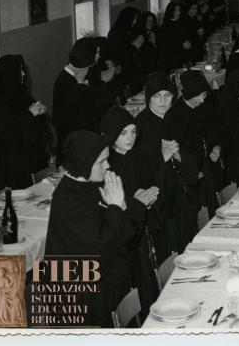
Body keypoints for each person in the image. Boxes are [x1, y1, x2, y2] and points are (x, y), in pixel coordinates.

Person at [44, 130, 138, 327]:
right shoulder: (68, 200)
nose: (108, 166)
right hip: (83, 298)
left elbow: (126, 235)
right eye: (101, 162)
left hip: (105, 286)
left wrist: (121, 208)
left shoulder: (90, 184)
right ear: (84, 163)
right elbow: (99, 251)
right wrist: (114, 208)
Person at [100, 107, 160, 321]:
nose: (130, 138)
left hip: (141, 229)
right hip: (123, 238)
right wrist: (137, 202)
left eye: (133, 132)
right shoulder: (106, 166)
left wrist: (150, 197)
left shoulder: (137, 156)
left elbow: (148, 183)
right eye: (124, 133)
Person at [134, 72, 199, 256]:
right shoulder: (139, 127)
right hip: (158, 205)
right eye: (157, 96)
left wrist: (178, 155)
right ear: (149, 98)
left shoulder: (178, 118)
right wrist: (161, 157)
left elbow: (195, 156)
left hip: (182, 196)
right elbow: (137, 171)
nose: (163, 102)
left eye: (167, 95)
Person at [0, 54, 50, 194]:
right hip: (9, 163)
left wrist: (39, 112)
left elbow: (32, 127)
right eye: (20, 70)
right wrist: (30, 114)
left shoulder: (20, 94)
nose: (23, 73)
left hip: (25, 158)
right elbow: (8, 134)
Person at [165, 71, 224, 218]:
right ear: (191, 93)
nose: (203, 100)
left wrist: (217, 147)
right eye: (201, 96)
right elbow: (176, 152)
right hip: (190, 177)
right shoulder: (174, 116)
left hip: (208, 168)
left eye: (205, 95)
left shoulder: (205, 107)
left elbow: (216, 133)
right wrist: (191, 169)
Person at [52, 39, 113, 165]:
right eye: (96, 53)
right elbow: (82, 113)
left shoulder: (78, 76)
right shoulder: (66, 81)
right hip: (74, 146)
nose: (98, 56)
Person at [159, 2, 193, 71]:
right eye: (176, 10)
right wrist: (181, 45)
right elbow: (166, 46)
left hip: (183, 58)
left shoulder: (181, 23)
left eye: (179, 10)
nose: (178, 13)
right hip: (172, 61)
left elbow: (187, 37)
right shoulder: (166, 27)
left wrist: (189, 43)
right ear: (171, 11)